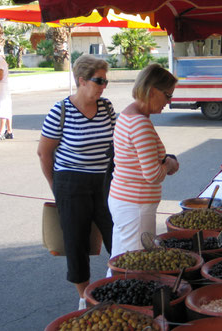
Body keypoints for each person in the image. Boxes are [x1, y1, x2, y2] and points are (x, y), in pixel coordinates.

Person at [37, 55, 115, 310]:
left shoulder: (106, 108)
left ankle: (117, 285)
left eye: (106, 80)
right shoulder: (60, 110)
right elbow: (44, 153)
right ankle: (85, 298)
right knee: (76, 242)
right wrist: (56, 186)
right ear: (81, 80)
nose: (104, 85)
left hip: (104, 181)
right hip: (71, 183)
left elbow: (118, 144)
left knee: (117, 234)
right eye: (99, 80)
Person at [108, 64, 179, 261]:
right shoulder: (140, 124)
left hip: (124, 200)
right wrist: (169, 165)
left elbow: (136, 158)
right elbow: (152, 175)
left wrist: (163, 160)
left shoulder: (128, 114)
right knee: (136, 263)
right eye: (168, 95)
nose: (169, 101)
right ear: (152, 90)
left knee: (120, 259)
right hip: (136, 205)